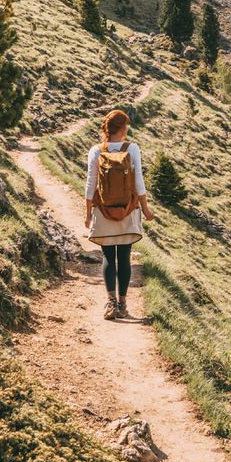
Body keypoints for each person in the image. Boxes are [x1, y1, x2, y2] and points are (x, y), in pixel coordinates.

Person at [85, 109, 154, 320]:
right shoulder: (132, 148)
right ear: (123, 128)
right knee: (124, 257)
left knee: (108, 256)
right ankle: (123, 304)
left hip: (103, 209)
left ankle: (111, 302)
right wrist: (145, 208)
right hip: (128, 208)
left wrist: (87, 213)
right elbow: (139, 181)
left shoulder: (96, 151)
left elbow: (90, 184)